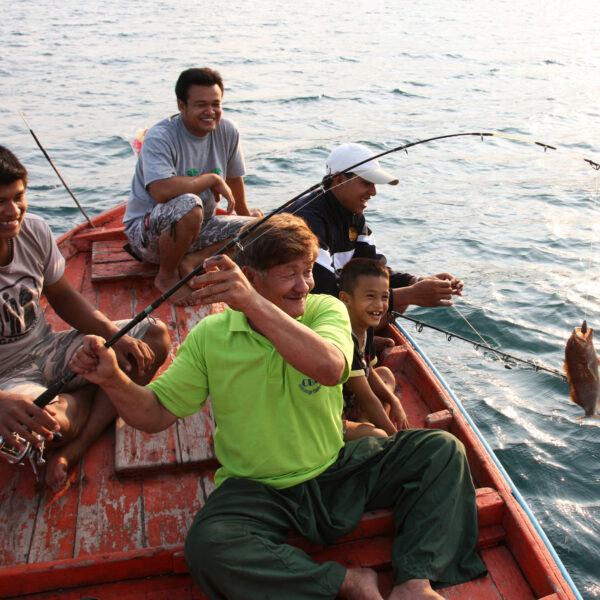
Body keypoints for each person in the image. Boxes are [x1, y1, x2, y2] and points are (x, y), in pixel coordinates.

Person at [69, 214, 486, 600]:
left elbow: (330, 366)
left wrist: (253, 303)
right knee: (209, 547)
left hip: (335, 465)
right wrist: (111, 378)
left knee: (442, 451)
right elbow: (154, 414)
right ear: (250, 277)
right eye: (289, 274)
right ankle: (345, 581)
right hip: (257, 487)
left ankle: (414, 580)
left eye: (306, 271)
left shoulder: (327, 309)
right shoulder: (212, 335)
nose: (304, 284)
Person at [0, 145, 170, 491]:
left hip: (48, 350)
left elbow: (62, 295)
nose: (12, 211)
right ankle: (92, 405)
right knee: (48, 428)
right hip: (8, 381)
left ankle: (80, 435)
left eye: (18, 197)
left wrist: (113, 334)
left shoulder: (32, 230)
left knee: (152, 339)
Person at [123, 67, 263, 306]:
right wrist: (211, 179)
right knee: (190, 204)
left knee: (267, 228)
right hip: (148, 236)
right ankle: (166, 276)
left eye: (215, 104)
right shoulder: (160, 136)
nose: (210, 112)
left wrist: (246, 218)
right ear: (181, 105)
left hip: (201, 227)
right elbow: (161, 190)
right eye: (201, 105)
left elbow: (233, 179)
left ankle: (195, 260)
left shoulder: (227, 130)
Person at [287, 142, 464, 315]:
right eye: (366, 183)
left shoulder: (354, 216)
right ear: (339, 180)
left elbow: (373, 271)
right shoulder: (306, 220)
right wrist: (409, 294)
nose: (373, 192)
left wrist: (415, 281)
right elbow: (324, 291)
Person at [339, 258, 409, 440]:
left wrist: (395, 402)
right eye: (370, 296)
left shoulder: (366, 325)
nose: (379, 305)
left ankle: (365, 421)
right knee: (379, 435)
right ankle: (368, 427)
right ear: (345, 299)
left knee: (385, 374)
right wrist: (397, 441)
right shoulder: (346, 336)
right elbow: (367, 397)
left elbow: (369, 371)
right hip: (334, 413)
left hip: (352, 395)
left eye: (384, 297)